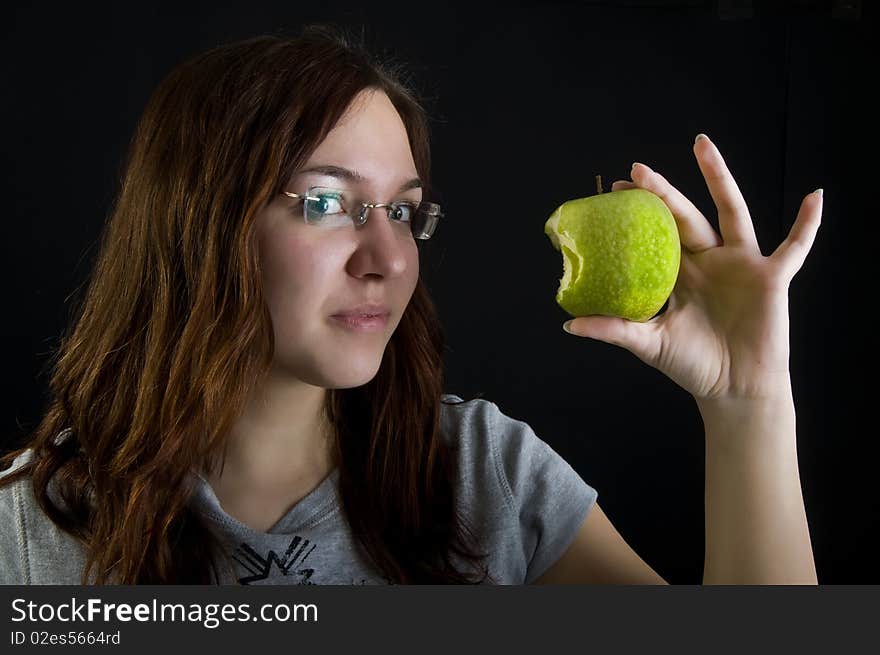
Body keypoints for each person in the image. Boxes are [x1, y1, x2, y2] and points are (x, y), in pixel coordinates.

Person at [0, 25, 820, 585]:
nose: (389, 258)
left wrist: (747, 403)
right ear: (196, 221)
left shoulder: (484, 475)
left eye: (401, 209)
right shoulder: (32, 524)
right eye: (326, 202)